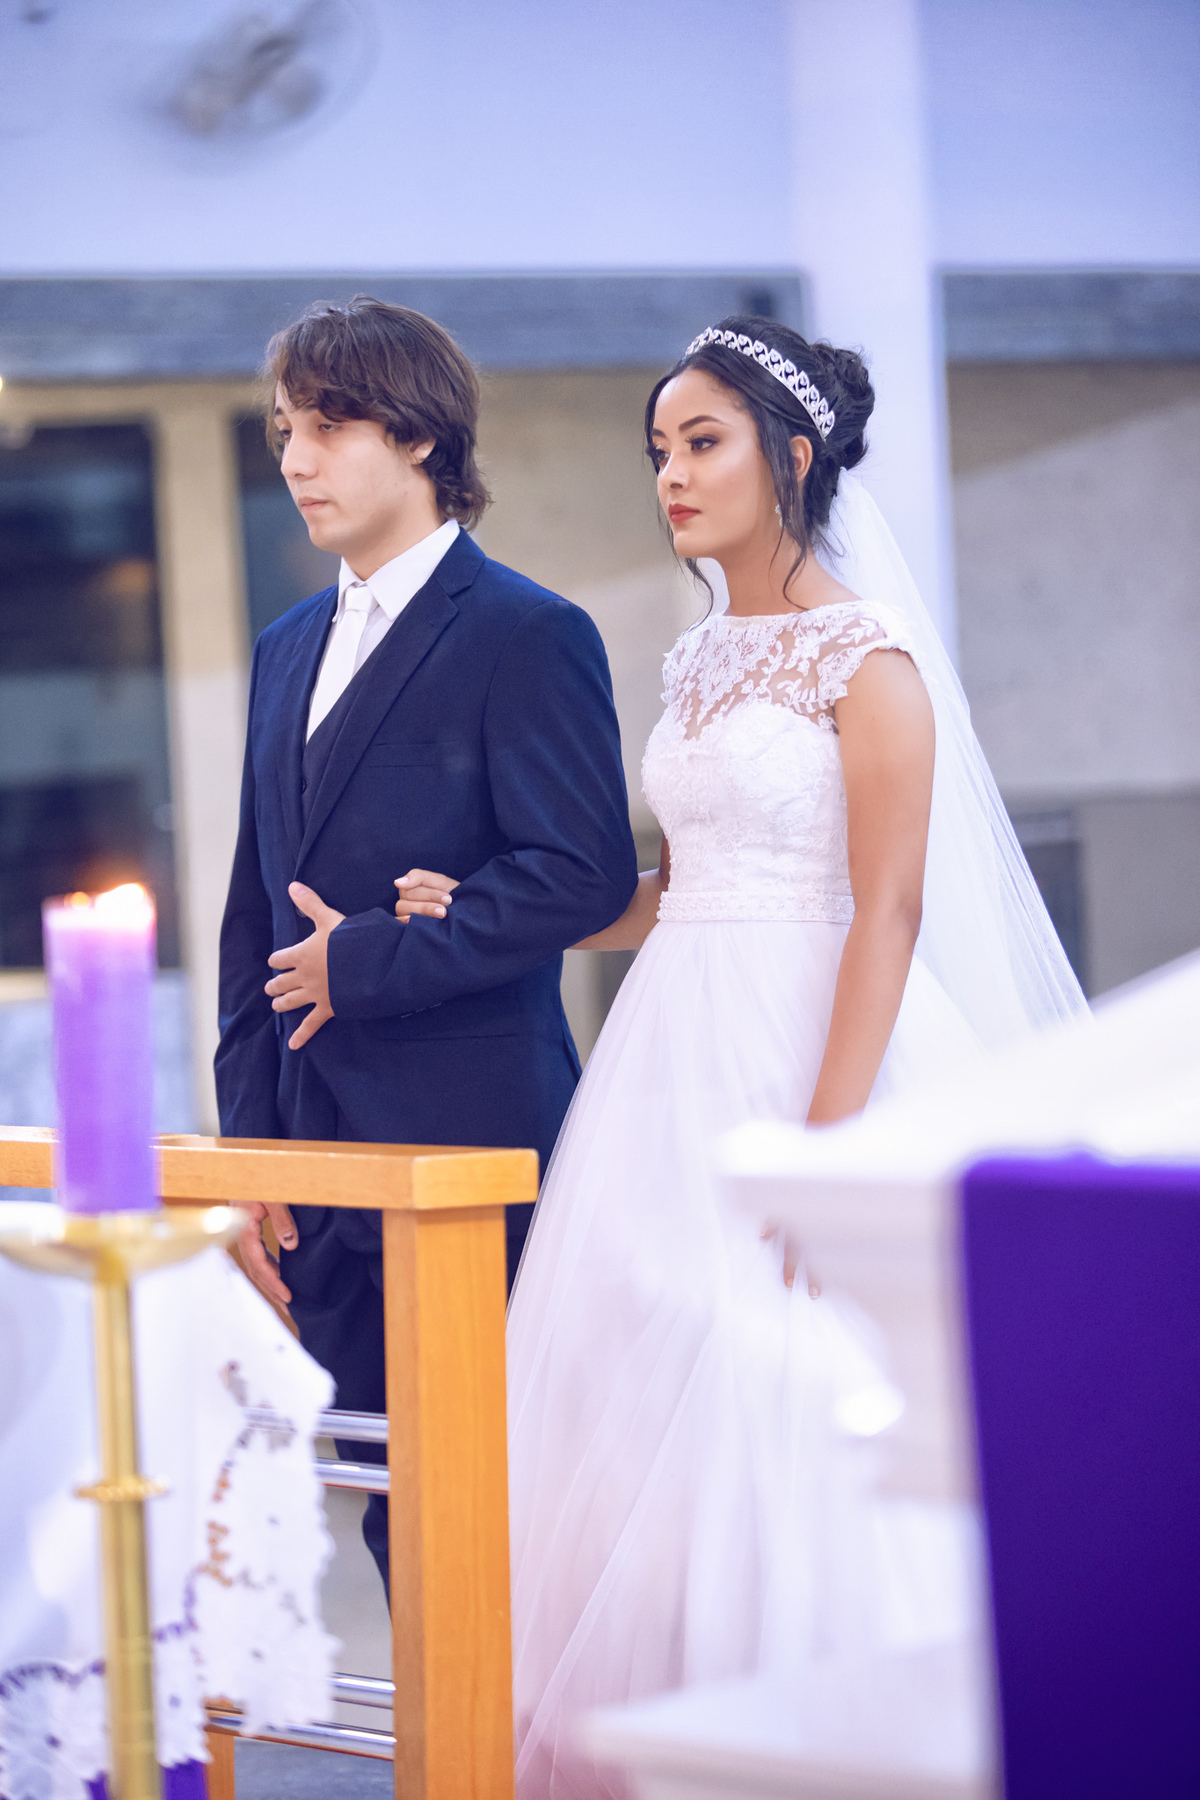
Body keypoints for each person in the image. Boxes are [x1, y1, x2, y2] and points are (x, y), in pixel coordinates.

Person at [493, 318, 1088, 1796]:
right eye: (659, 449)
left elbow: (887, 908)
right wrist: (501, 912)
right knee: (646, 1390)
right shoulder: (697, 656)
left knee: (796, 1386)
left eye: (703, 443)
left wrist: (828, 1150)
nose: (671, 475)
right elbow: (682, 887)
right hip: (666, 1061)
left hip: (818, 1050)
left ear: (793, 456)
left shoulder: (868, 660)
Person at [214, 296, 638, 1592]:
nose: (296, 460)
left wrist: (368, 963)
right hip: (317, 1168)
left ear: (417, 436)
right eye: (285, 431)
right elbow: (252, 913)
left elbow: (581, 870)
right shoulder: (285, 645)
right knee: (396, 1520)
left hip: (474, 1148)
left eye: (328, 428)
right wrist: (248, 1152)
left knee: (503, 1515)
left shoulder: (528, 632)